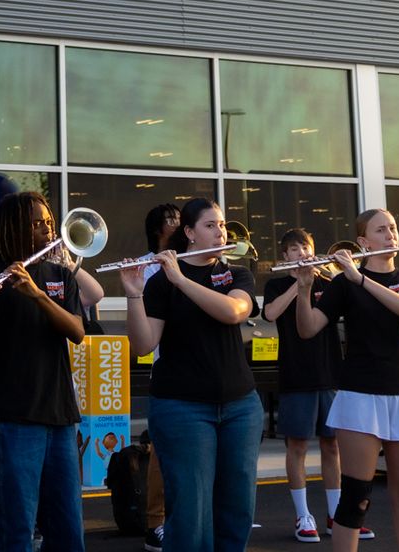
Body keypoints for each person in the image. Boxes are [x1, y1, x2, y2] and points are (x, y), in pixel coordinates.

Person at [118, 197, 260, 552]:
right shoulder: (162, 283)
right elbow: (143, 345)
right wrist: (134, 295)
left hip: (240, 405)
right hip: (181, 407)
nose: (220, 231)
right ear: (189, 233)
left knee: (237, 505)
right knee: (190, 510)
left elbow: (233, 311)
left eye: (222, 225)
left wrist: (181, 280)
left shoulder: (235, 274)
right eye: (211, 225)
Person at [294, 209, 399, 551]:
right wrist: (305, 289)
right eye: (381, 230)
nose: (391, 235)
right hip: (359, 395)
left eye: (393, 228)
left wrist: (360, 278)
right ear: (364, 241)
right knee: (355, 498)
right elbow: (307, 329)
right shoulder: (342, 284)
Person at [0, 190, 88, 552]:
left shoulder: (59, 276)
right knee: (16, 525)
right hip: (14, 417)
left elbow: (77, 332)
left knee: (67, 526)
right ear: (16, 227)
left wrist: (36, 294)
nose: (48, 230)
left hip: (61, 415)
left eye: (49, 222)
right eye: (38, 223)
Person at [260, 229, 346, 543]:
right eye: (294, 250)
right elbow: (270, 313)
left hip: (331, 374)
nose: (301, 254)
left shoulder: (329, 281)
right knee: (296, 446)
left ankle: (336, 514)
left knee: (332, 445)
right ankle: (302, 515)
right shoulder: (277, 284)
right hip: (296, 376)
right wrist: (300, 284)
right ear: (285, 256)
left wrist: (335, 274)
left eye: (305, 248)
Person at [138, 201, 180, 552]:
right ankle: (155, 521)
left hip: (199, 368)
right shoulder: (149, 268)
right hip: (166, 363)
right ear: (157, 229)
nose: (178, 223)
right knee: (160, 449)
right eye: (171, 220)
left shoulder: (193, 259)